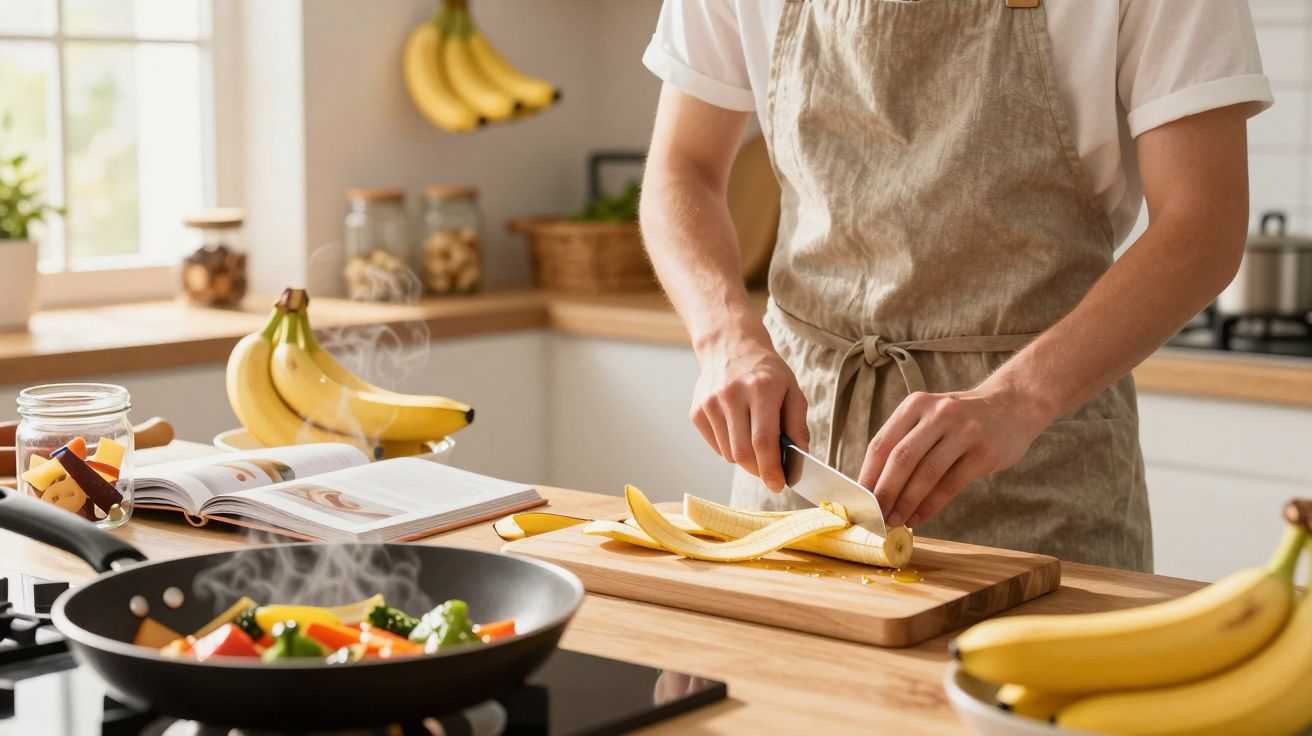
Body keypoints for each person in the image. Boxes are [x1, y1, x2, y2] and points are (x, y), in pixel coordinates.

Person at [638, 0, 1272, 571]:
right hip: (800, 452)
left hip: (1040, 460)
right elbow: (681, 167)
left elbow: (1203, 224)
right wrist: (727, 339)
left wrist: (1018, 398)